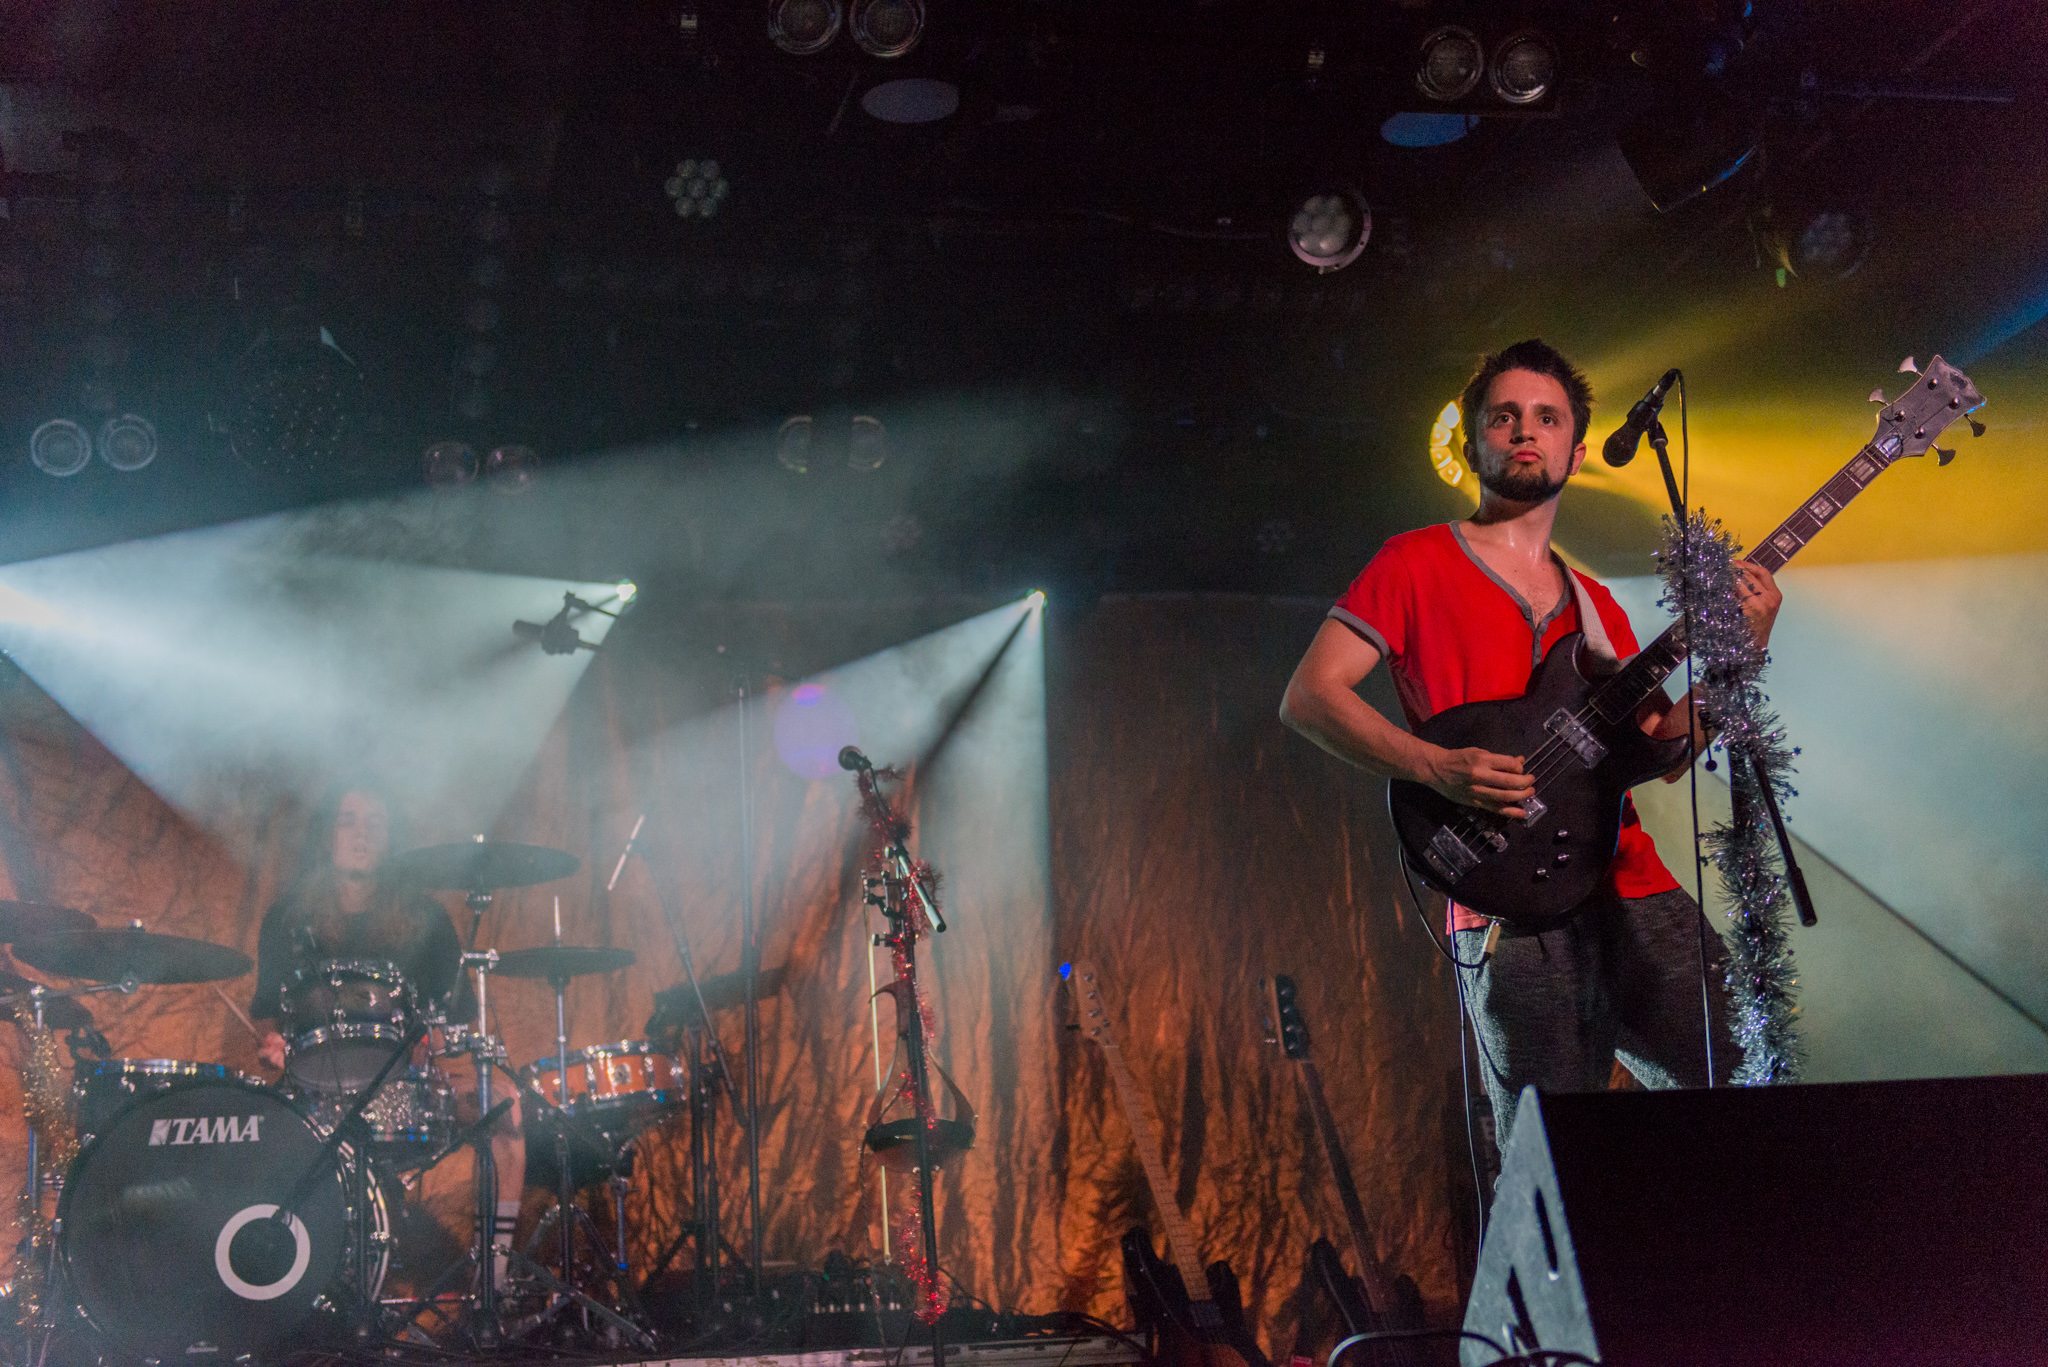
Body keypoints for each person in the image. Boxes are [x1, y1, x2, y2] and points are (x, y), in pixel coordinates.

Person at [1278, 339, 1782, 1145]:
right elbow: (1310, 695)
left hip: (1633, 889)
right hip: (1505, 901)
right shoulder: (1412, 562)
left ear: (1575, 453)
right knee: (1547, 1165)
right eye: (1504, 416)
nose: (1524, 430)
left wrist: (1739, 656)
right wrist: (1435, 766)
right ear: (1472, 442)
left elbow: (1661, 745)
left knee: (1757, 1103)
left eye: (1547, 418)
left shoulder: (1596, 603)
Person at [250, 785, 527, 1268]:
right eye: (348, 821)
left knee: (504, 1106)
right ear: (327, 836)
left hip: (407, 1089)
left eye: (375, 823)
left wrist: (429, 1044)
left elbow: (456, 1021)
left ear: (390, 838)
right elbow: (268, 1016)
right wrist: (273, 1043)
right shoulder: (287, 918)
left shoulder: (427, 919)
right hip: (313, 1094)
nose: (361, 834)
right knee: (249, 1133)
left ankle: (494, 1278)